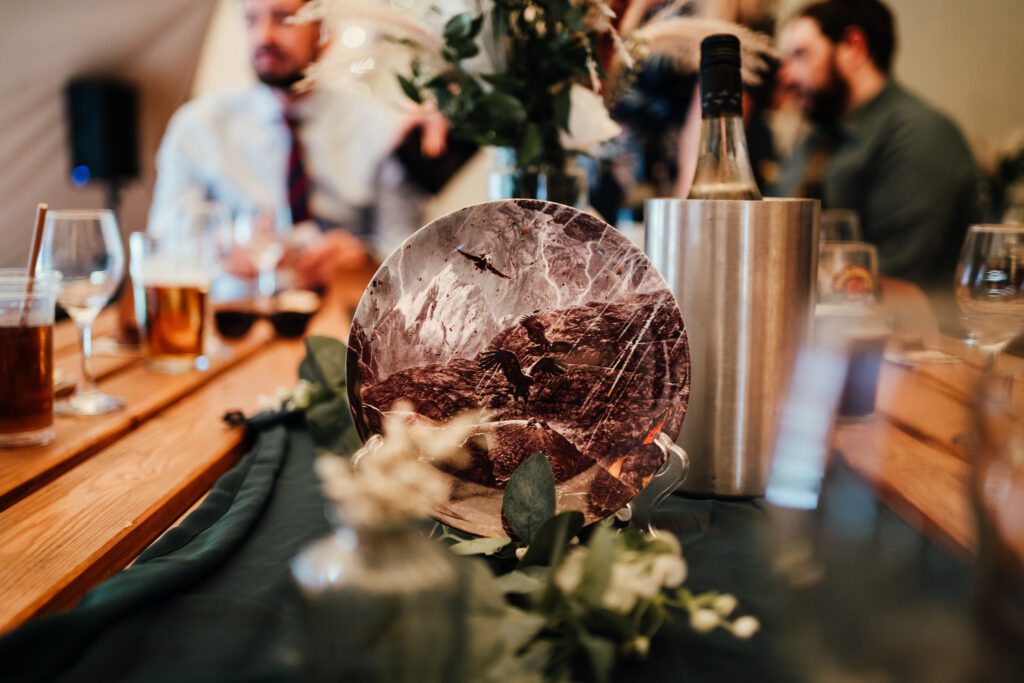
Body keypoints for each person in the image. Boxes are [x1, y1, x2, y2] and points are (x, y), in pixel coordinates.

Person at [149, 0, 442, 288]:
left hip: (340, 311)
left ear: (324, 32)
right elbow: (163, 242)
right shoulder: (198, 127)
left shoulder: (381, 128)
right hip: (232, 311)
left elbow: (410, 251)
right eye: (251, 20)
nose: (264, 36)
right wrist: (220, 249)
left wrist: (364, 258)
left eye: (283, 19)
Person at [774, 0, 981, 296]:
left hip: (900, 324)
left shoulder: (918, 134)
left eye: (800, 54)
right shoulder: (815, 139)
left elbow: (895, 279)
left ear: (854, 46)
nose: (786, 76)